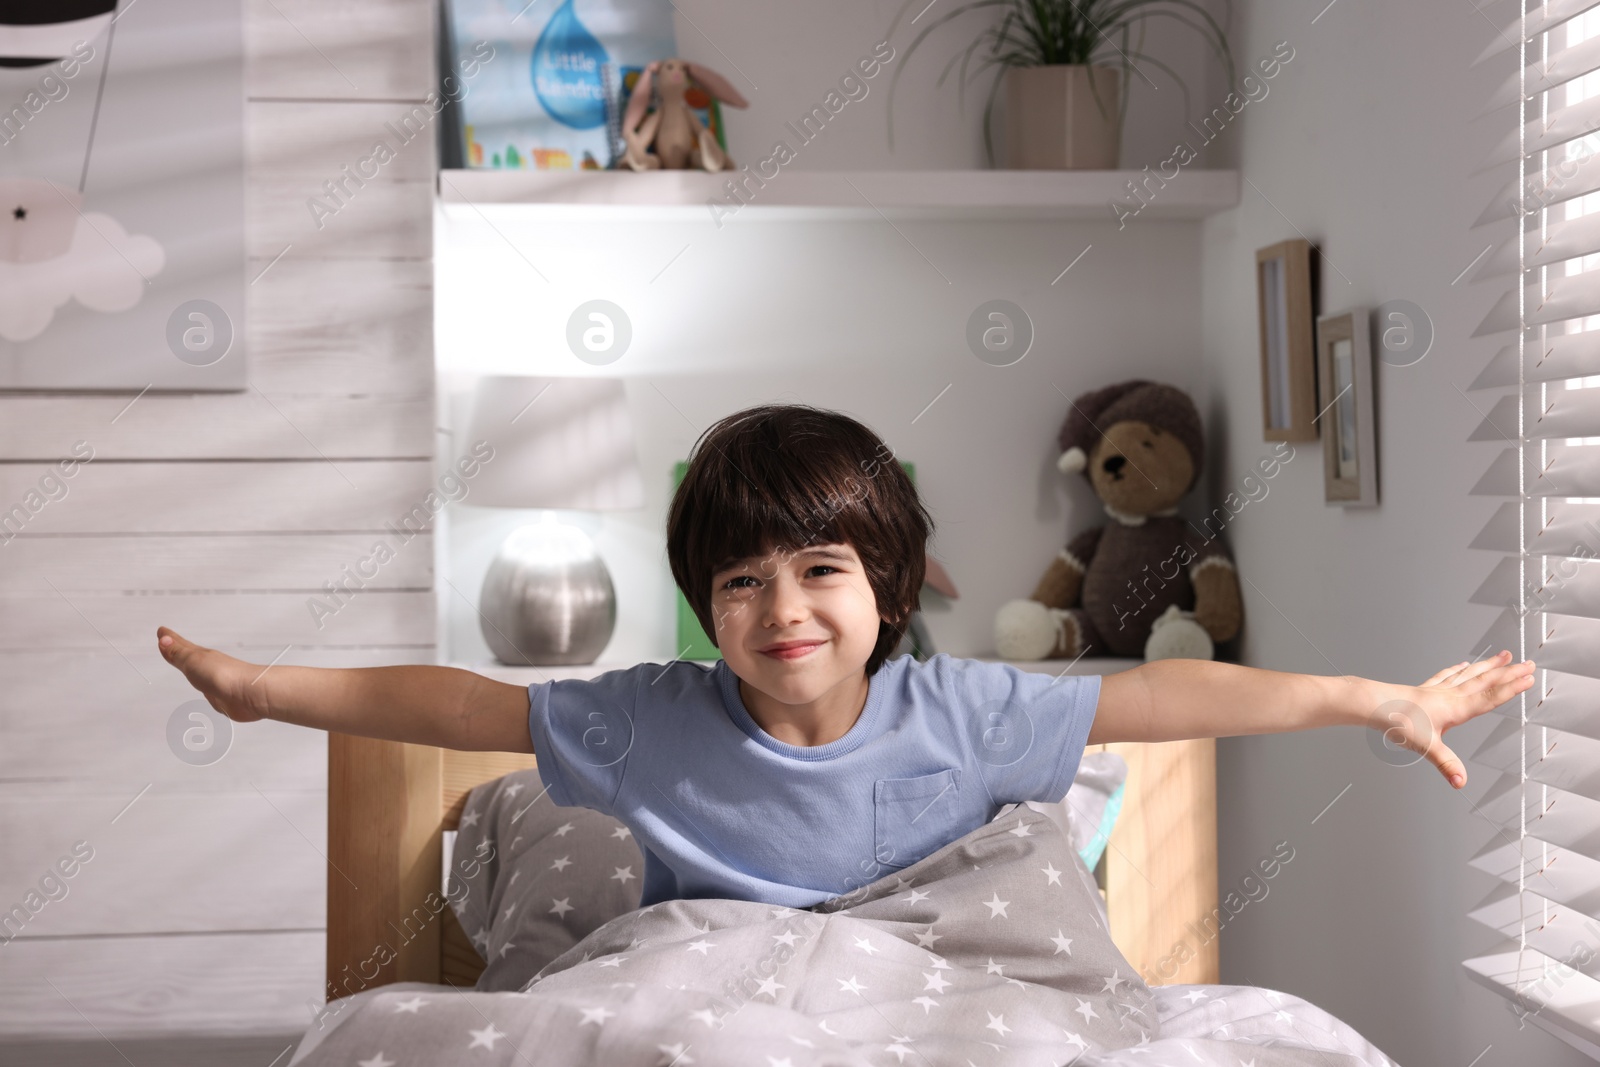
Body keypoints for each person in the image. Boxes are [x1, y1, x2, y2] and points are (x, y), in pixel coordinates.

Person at [155, 403, 1536, 910]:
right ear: (706, 604)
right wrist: (267, 692)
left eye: (821, 571)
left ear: (887, 585)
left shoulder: (968, 709)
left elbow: (1164, 690)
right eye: (741, 582)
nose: (784, 611)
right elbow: (461, 701)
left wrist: (1373, 697)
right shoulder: (649, 719)